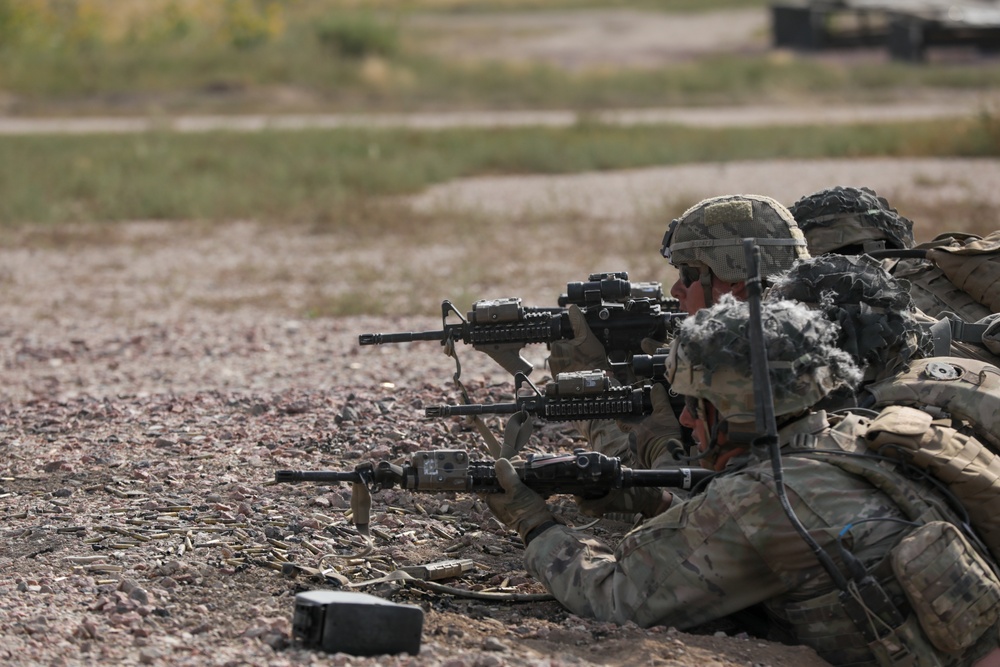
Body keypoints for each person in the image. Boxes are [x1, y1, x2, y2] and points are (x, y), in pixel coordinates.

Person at [485, 296, 1000, 667]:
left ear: (731, 410)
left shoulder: (758, 498)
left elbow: (615, 598)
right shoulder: (862, 433)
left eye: (694, 406)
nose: (686, 423)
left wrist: (535, 524)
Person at [543, 194, 810, 518]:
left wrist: (615, 419)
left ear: (735, 282)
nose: (675, 290)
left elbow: (703, 523)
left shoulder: (769, 367)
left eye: (688, 274)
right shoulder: (804, 334)